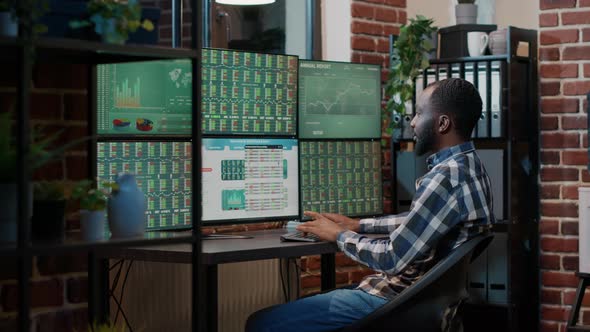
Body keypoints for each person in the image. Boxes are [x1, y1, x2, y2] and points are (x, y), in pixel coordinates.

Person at [245, 78, 496, 332]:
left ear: (442, 123)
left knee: (261, 323)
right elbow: (421, 221)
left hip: (394, 303)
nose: (412, 123)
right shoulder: (470, 167)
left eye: (419, 113)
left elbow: (392, 258)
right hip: (428, 305)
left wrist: (340, 235)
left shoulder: (444, 178)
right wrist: (358, 223)